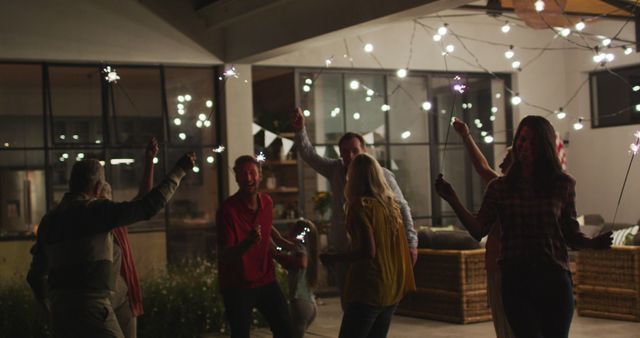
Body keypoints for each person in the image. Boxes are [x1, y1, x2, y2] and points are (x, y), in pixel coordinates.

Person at [435, 115, 612, 338]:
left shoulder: (562, 184)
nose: (524, 146)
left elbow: (570, 233)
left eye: (531, 141)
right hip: (516, 279)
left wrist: (593, 243)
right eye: (521, 139)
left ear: (544, 146)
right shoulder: (500, 187)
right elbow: (478, 229)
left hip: (554, 279)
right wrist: (452, 199)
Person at [27, 153, 196, 338]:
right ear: (99, 187)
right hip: (92, 307)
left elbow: (35, 275)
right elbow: (149, 205)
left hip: (60, 311)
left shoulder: (49, 221)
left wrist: (47, 305)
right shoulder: (95, 211)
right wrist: (179, 171)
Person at [292, 107, 417, 304]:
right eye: (344, 152)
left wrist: (411, 243)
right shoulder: (335, 169)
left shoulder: (382, 175)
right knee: (348, 301)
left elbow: (402, 207)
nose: (349, 156)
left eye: (354, 151)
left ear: (364, 150)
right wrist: (300, 132)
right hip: (343, 247)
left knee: (373, 299)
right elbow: (310, 156)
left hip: (376, 249)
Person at [320, 153, 415, 338]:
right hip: (393, 285)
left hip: (369, 288)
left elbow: (367, 251)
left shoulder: (359, 207)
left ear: (353, 178)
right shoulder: (391, 205)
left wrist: (333, 258)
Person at [216, 155, 294, 338]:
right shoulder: (227, 210)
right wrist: (247, 243)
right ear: (236, 177)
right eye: (243, 174)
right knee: (241, 334)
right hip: (237, 284)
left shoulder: (267, 203)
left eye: (252, 173)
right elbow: (225, 255)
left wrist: (283, 253)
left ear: (260, 175)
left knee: (286, 330)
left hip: (266, 279)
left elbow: (266, 236)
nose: (248, 178)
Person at [452, 117, 514, 338]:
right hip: (499, 268)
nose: (500, 165)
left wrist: (466, 136)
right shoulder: (506, 190)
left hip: (503, 269)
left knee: (508, 326)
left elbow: (482, 167)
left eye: (506, 160)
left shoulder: (505, 191)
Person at [99, 137, 159, 338]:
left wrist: (149, 161)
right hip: (102, 300)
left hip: (123, 296)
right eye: (102, 196)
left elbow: (144, 197)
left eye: (108, 196)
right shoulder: (92, 225)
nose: (106, 201)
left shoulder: (117, 222)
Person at [273, 219, 319, 338]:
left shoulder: (299, 247)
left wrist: (285, 259)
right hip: (310, 302)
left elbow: (301, 262)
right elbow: (279, 240)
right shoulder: (308, 250)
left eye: (292, 229)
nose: (289, 231)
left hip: (300, 300)